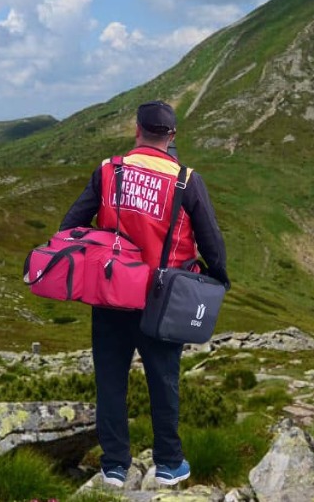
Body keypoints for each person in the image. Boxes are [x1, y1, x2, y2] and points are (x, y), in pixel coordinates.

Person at [60, 100, 229, 488]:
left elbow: (70, 226)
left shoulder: (109, 171)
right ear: (171, 137)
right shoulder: (186, 180)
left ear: (137, 129)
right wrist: (218, 277)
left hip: (109, 294)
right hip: (162, 299)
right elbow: (212, 243)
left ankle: (115, 466)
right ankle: (169, 463)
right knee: (163, 380)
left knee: (110, 380)